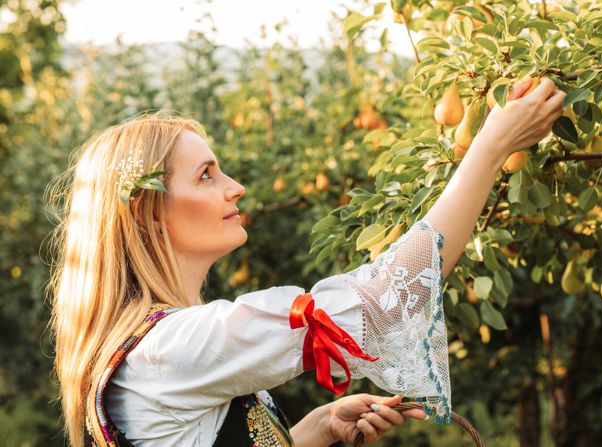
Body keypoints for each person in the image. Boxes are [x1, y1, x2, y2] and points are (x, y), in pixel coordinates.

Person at [47, 78, 565, 447]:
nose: (235, 188)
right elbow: (383, 299)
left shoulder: (150, 349)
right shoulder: (173, 348)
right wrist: (491, 147)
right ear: (148, 215)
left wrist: (310, 432)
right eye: (206, 175)